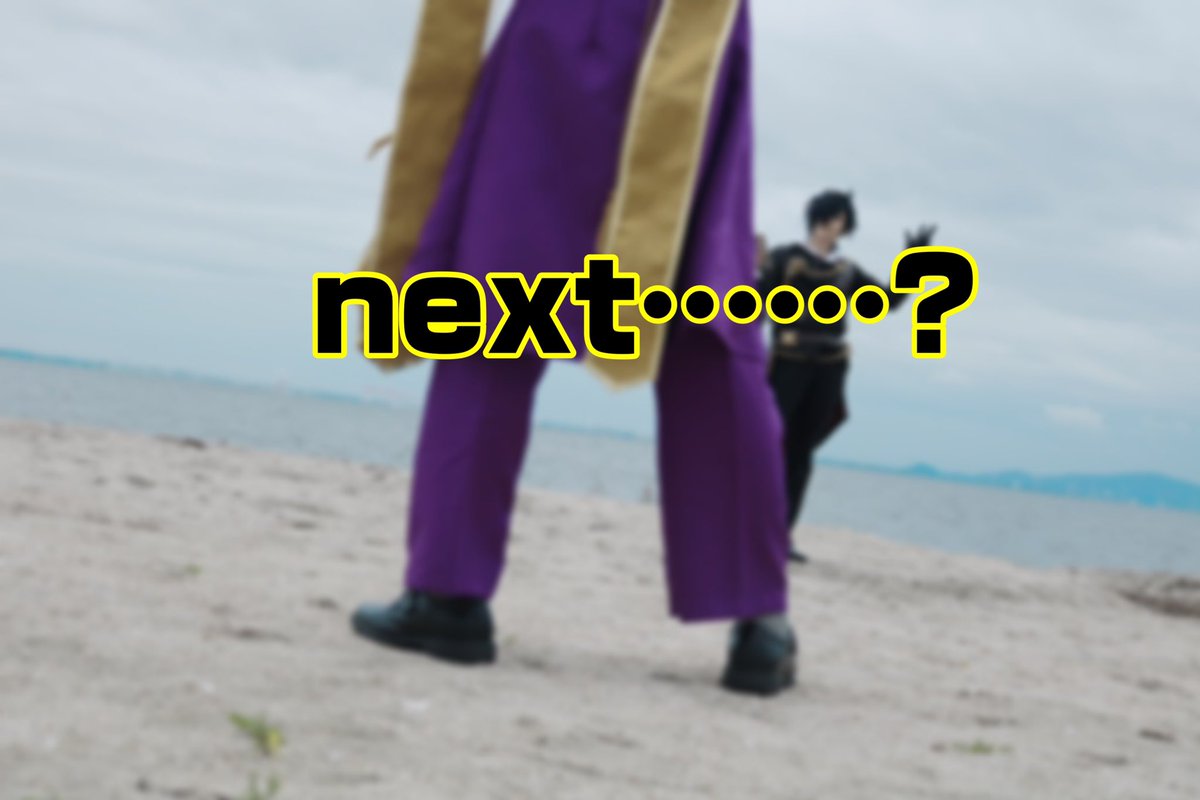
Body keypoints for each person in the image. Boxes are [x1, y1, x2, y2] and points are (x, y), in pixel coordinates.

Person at [349, 0, 796, 695]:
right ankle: (759, 619)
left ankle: (447, 594)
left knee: (499, 301)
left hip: (565, 24)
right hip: (691, 23)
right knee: (701, 300)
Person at [758, 190, 935, 563]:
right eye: (831, 218)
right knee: (768, 445)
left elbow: (886, 301)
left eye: (841, 221)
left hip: (829, 366)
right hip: (789, 362)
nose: (835, 226)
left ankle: (780, 536)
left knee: (802, 452)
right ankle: (747, 527)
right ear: (817, 219)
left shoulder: (847, 270)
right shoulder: (785, 258)